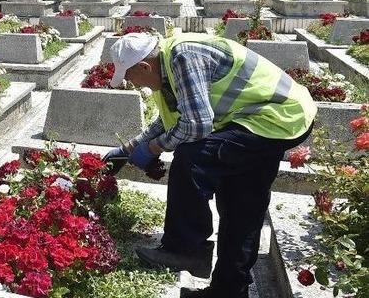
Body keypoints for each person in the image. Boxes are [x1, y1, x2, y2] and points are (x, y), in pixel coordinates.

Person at [102, 33, 317, 298]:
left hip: (275, 117)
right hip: (269, 120)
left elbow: (196, 125)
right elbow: (169, 121)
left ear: (145, 67)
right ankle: (229, 291)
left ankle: (185, 248)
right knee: (241, 206)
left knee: (192, 158)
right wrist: (127, 151)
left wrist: (154, 148)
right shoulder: (167, 69)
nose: (134, 84)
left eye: (130, 77)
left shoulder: (183, 57)